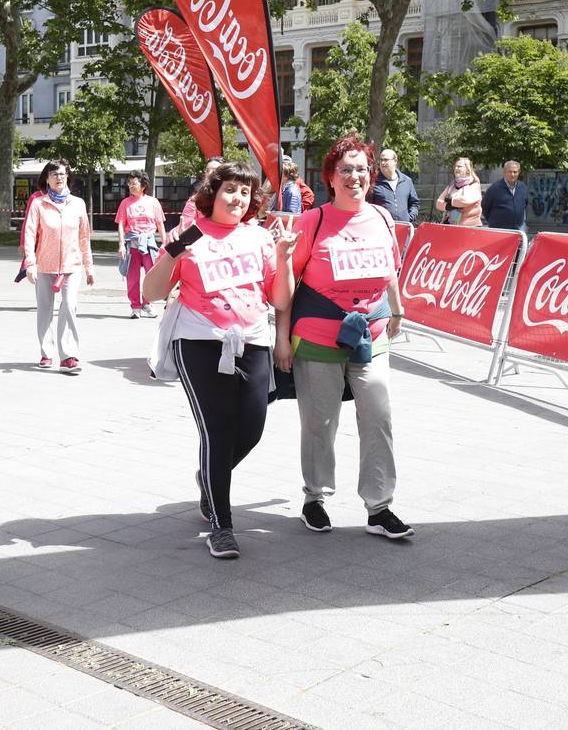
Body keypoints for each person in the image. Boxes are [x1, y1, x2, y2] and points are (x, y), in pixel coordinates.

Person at [144, 162, 295, 559]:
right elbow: (152, 292)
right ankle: (221, 525)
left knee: (252, 428)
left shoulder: (260, 237)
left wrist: (284, 258)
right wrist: (172, 254)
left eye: (245, 193)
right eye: (230, 190)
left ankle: (209, 477)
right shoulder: (190, 233)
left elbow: (279, 299)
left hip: (252, 340)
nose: (238, 199)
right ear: (213, 193)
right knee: (217, 430)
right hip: (199, 341)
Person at [276, 134, 413, 541]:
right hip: (317, 336)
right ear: (330, 178)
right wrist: (281, 340)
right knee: (320, 423)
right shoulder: (312, 222)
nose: (355, 177)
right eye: (346, 170)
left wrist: (398, 307)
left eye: (362, 169)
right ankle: (314, 498)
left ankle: (379, 507)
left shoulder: (383, 218)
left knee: (379, 417)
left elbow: (390, 269)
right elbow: (286, 289)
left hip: (371, 336)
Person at [23, 159, 93, 373]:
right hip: (44, 265)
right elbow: (29, 234)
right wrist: (30, 263)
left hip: (72, 266)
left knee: (70, 306)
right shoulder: (38, 204)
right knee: (45, 310)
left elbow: (84, 238)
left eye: (62, 174)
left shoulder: (78, 204)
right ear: (47, 178)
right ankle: (47, 352)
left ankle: (69, 356)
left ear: (67, 176)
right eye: (54, 174)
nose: (58, 178)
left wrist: (89, 267)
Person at [116, 170, 167, 318]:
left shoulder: (153, 202)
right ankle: (135, 307)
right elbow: (120, 224)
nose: (131, 186)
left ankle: (147, 303)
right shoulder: (125, 203)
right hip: (131, 242)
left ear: (143, 185)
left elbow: (160, 224)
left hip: (149, 243)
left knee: (151, 274)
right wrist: (120, 244)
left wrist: (165, 244)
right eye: (129, 183)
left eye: (134, 183)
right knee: (132, 276)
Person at [367, 148, 420, 224]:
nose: (382, 163)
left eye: (386, 160)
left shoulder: (406, 181)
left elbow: (414, 203)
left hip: (403, 228)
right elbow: (368, 206)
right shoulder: (373, 182)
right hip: (382, 228)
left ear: (395, 161)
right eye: (381, 160)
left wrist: (409, 217)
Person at [434, 157, 483, 227]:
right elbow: (438, 203)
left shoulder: (474, 184)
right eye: (455, 166)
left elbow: (465, 200)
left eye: (459, 166)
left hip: (471, 227)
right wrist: (448, 206)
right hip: (452, 226)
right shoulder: (451, 185)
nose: (456, 168)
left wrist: (450, 201)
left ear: (467, 170)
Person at [482, 160, 529, 232]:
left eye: (515, 172)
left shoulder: (523, 187)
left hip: (519, 228)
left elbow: (525, 204)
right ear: (504, 172)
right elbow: (485, 207)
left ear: (519, 173)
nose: (512, 174)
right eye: (510, 172)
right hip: (499, 229)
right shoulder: (494, 188)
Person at [180, 157, 223, 230]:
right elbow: (185, 229)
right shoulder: (194, 202)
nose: (210, 173)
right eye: (208, 170)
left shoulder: (232, 199)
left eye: (216, 170)